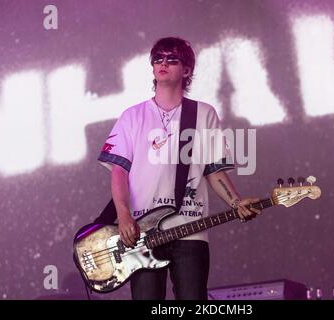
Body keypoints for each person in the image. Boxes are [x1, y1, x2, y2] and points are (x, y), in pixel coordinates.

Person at [97, 36, 260, 300]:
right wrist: (124, 215)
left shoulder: (203, 113)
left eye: (172, 59)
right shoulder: (132, 116)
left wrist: (236, 202)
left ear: (186, 70)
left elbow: (213, 170)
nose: (163, 64)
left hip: (191, 228)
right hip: (143, 232)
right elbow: (119, 172)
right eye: (158, 59)